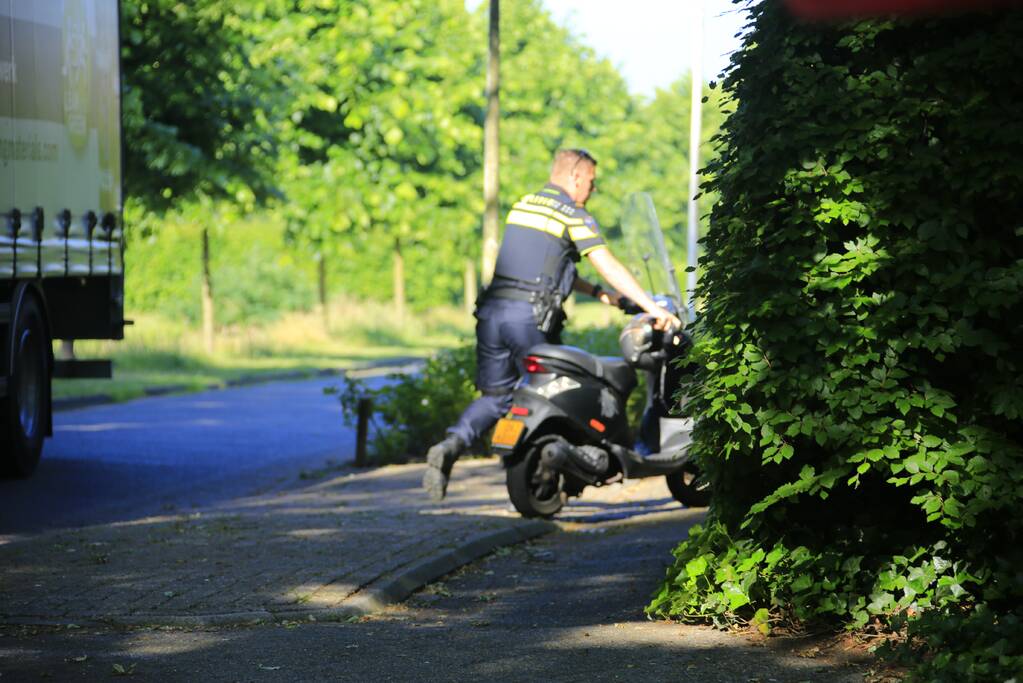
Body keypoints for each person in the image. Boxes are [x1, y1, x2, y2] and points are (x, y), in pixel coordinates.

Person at [422, 148, 683, 501]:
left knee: (497, 398)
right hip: (527, 319)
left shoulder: (525, 205)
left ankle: (450, 445)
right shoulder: (572, 213)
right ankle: (560, 465)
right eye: (591, 182)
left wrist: (600, 295)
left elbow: (551, 267)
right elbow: (606, 262)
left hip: (491, 315)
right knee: (557, 389)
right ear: (576, 177)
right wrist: (652, 308)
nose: (592, 190)